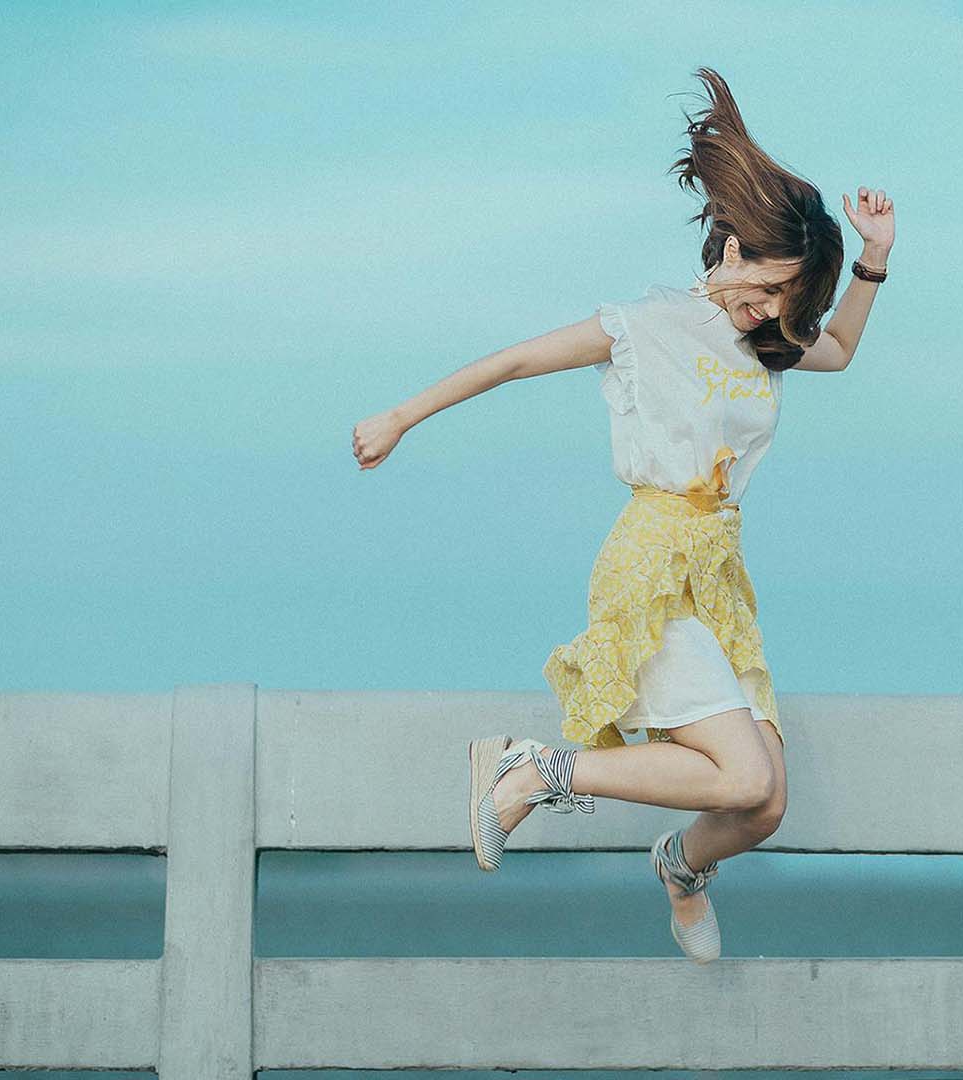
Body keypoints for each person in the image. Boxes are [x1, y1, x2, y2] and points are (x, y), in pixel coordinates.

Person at [350, 67, 895, 963]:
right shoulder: (649, 325)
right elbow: (518, 361)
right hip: (652, 561)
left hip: (717, 575)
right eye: (767, 289)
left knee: (763, 804)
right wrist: (403, 416)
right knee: (744, 771)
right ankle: (535, 769)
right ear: (733, 250)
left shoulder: (765, 340)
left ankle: (681, 869)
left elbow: (837, 348)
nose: (771, 312)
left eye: (786, 302)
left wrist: (873, 256)